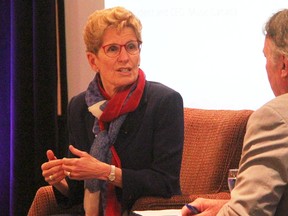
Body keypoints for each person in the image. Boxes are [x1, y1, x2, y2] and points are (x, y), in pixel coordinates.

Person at [41, 6, 184, 216]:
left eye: (132, 46)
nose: (125, 58)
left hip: (140, 211)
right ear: (93, 60)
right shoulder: (79, 107)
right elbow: (77, 193)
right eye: (113, 49)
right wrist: (61, 180)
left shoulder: (164, 102)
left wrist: (106, 172)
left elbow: (166, 183)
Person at [181, 8, 288, 216]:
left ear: (283, 65)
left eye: (266, 57)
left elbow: (246, 214)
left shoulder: (275, 117)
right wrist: (227, 206)